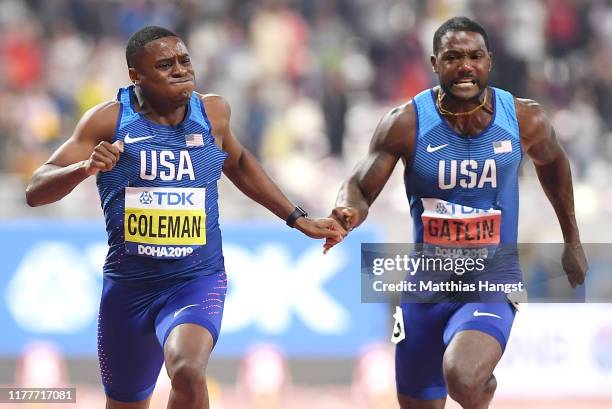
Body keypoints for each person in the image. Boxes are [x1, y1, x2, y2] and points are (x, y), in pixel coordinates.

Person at [25, 26, 345, 409]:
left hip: (195, 279)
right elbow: (35, 191)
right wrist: (83, 167)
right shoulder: (108, 121)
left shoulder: (213, 113)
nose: (180, 70)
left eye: (184, 60)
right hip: (129, 289)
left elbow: (239, 162)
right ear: (136, 75)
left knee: (188, 369)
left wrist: (297, 217)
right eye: (165, 64)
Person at [325, 17, 588, 409]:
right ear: (434, 63)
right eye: (453, 57)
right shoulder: (406, 123)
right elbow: (360, 186)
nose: (465, 66)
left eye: (474, 56)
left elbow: (554, 167)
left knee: (463, 376)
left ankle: (481, 392)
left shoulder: (523, 118)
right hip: (426, 287)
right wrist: (347, 210)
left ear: (489, 61)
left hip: (492, 279)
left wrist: (572, 240)